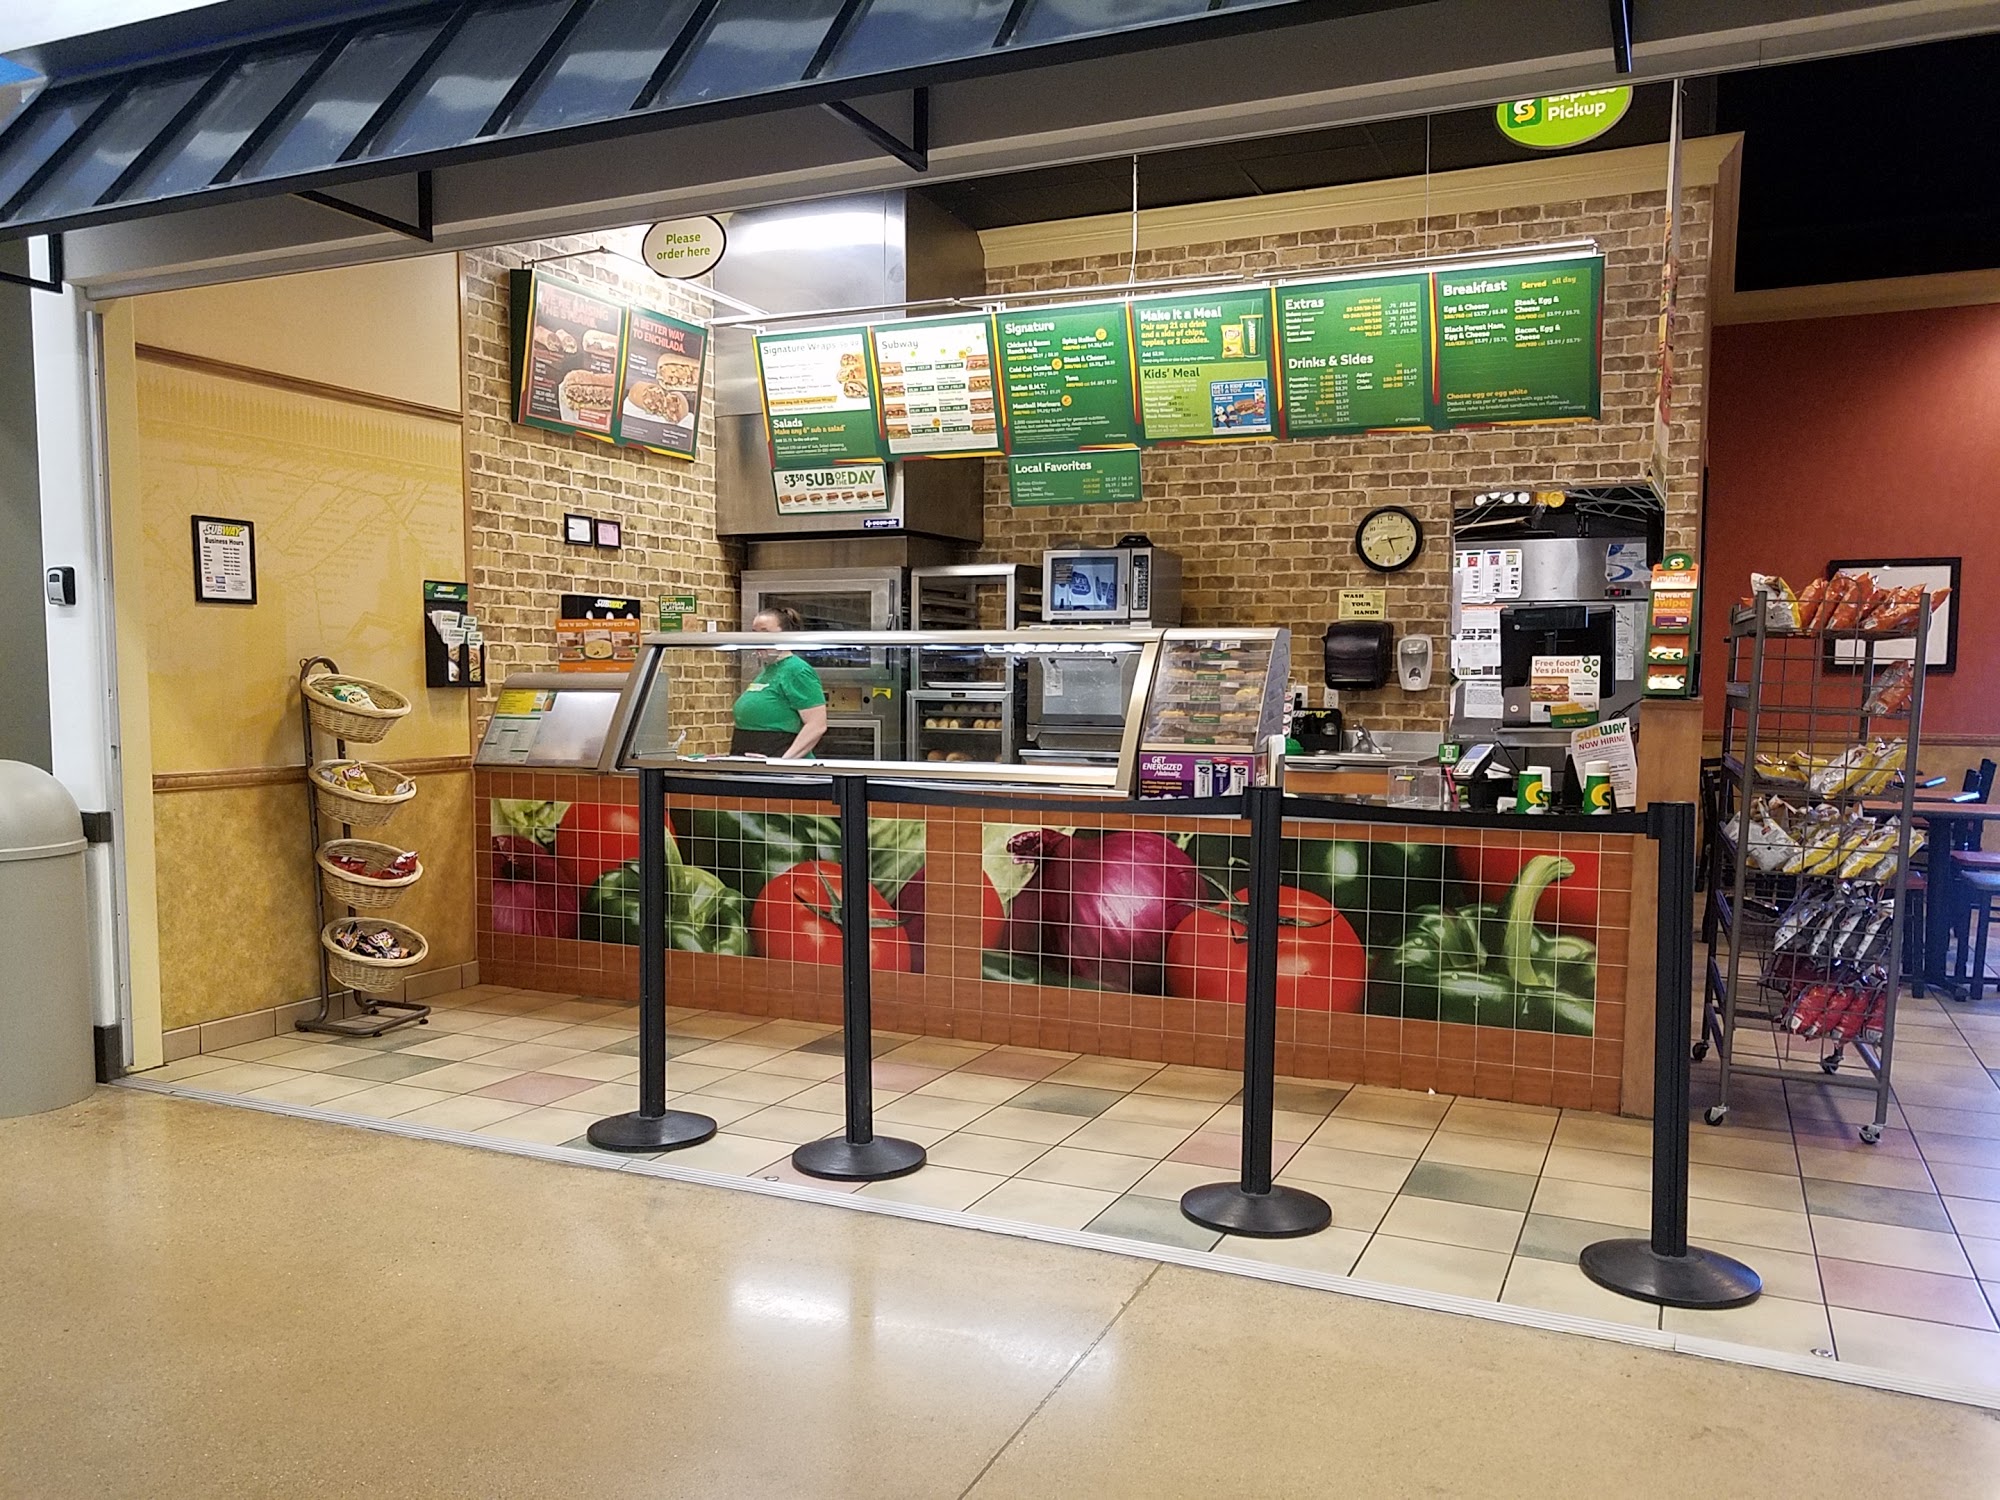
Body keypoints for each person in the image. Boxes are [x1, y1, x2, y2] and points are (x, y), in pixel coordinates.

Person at [730, 605, 828, 759]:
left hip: (780, 763)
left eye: (765, 633)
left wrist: (782, 763)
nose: (758, 641)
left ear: (785, 636)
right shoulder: (767, 671)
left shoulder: (797, 671)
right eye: (754, 634)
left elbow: (816, 725)